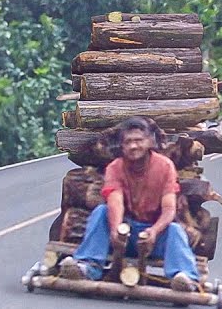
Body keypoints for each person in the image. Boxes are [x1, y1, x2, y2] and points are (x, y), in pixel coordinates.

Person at [64, 117, 201, 292]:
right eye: (128, 142)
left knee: (175, 230)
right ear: (122, 146)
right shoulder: (115, 167)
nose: (133, 146)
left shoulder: (165, 166)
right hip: (125, 232)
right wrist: (116, 230)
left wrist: (153, 231)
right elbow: (115, 201)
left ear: (150, 142)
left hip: (153, 235)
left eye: (138, 141)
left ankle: (184, 277)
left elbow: (169, 209)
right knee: (101, 211)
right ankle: (87, 266)